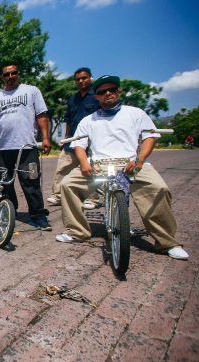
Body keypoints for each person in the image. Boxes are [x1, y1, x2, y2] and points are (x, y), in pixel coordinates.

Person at [55, 76, 189, 260]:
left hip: (131, 164)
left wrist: (140, 160)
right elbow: (79, 145)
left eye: (112, 89)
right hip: (98, 165)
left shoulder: (135, 113)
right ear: (96, 97)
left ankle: (167, 242)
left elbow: (150, 137)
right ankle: (77, 232)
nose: (107, 93)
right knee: (67, 185)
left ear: (119, 91)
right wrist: (85, 162)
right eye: (102, 91)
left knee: (159, 188)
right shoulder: (88, 120)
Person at [0, 64, 52, 230]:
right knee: (5, 183)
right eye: (6, 74)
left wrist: (45, 138)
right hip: (3, 149)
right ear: (2, 77)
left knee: (31, 182)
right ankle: (9, 210)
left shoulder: (31, 91)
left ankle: (38, 215)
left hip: (27, 147)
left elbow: (42, 116)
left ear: (18, 74)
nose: (10, 76)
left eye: (13, 73)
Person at [47, 67, 101, 210]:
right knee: (62, 167)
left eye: (84, 78)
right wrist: (66, 138)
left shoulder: (97, 96)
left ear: (90, 78)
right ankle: (58, 195)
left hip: (91, 141)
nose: (81, 81)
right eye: (78, 79)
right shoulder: (73, 99)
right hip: (73, 139)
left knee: (90, 169)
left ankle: (92, 199)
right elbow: (69, 120)